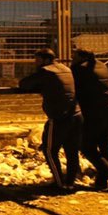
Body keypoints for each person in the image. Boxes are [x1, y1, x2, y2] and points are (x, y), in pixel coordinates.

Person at [19, 48, 82, 192]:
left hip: (59, 117)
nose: (35, 63)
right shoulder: (66, 69)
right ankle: (70, 183)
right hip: (76, 114)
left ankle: (59, 184)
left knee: (49, 150)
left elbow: (24, 83)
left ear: (46, 60)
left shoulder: (46, 71)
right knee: (72, 150)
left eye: (37, 60)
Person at [71, 49, 108, 192]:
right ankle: (102, 181)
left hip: (95, 111)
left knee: (87, 147)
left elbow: (72, 86)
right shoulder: (102, 65)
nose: (72, 58)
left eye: (74, 56)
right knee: (105, 146)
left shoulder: (79, 69)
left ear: (81, 57)